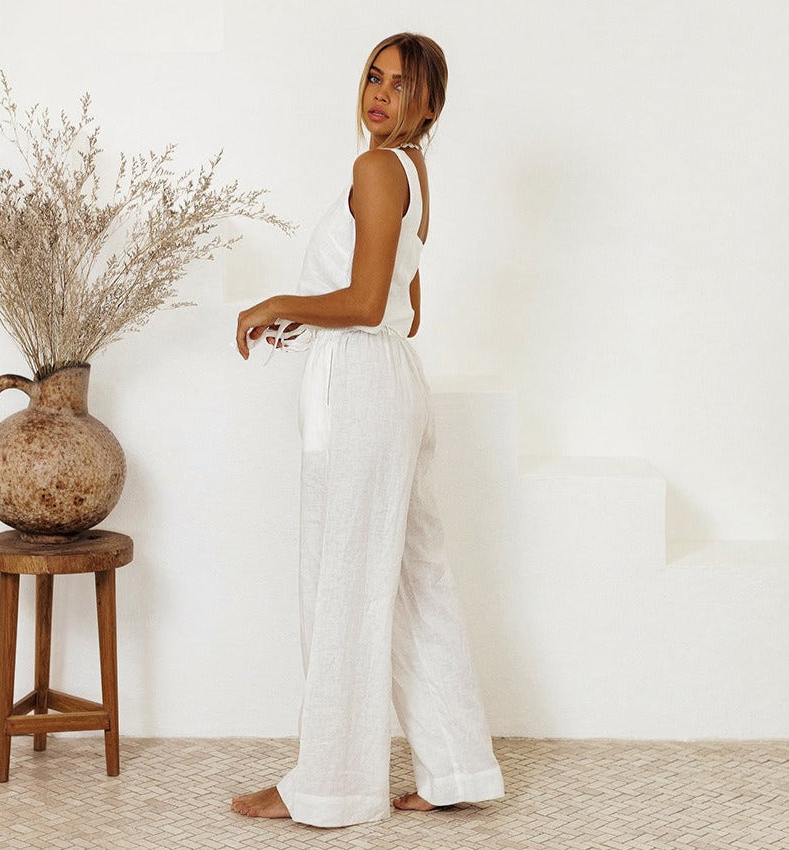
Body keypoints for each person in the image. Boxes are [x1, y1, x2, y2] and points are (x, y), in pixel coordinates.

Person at [231, 32, 505, 828]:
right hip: (389, 382)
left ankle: (329, 786)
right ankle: (455, 769)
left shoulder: (378, 169)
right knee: (417, 583)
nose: (380, 94)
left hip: (360, 392)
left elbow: (365, 302)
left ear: (430, 105)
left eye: (401, 84)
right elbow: (404, 314)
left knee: (342, 585)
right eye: (374, 77)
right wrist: (309, 322)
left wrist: (279, 303)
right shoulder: (413, 173)